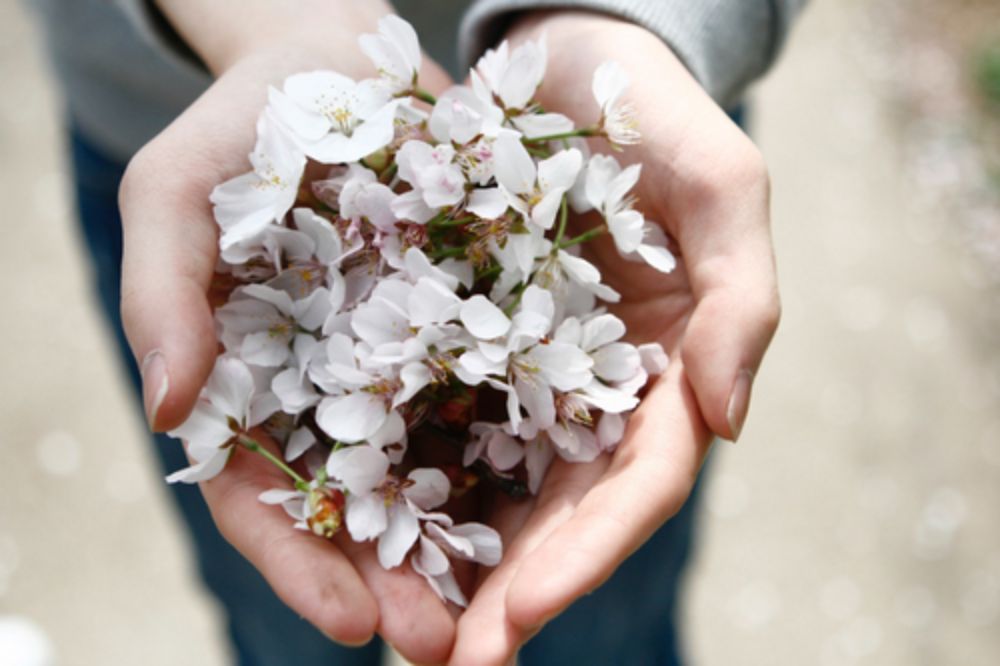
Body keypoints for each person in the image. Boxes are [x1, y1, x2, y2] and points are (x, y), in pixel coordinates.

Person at [29, 0, 802, 663]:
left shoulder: (565, 193)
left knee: (604, 626)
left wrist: (631, 20)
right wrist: (280, 21)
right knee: (288, 631)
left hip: (608, 89)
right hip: (176, 112)